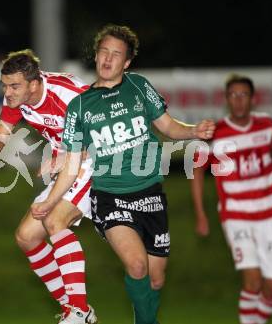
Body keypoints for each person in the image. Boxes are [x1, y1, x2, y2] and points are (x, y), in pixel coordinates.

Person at [31, 24, 215, 324]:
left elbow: (167, 126)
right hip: (110, 197)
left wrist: (193, 130)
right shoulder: (79, 106)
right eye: (103, 52)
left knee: (155, 279)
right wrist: (51, 201)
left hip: (151, 194)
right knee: (137, 265)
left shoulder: (139, 86)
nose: (107, 59)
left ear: (127, 62)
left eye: (116, 54)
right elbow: (72, 164)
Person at [0, 49, 97, 324]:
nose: (8, 92)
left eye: (14, 86)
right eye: (4, 86)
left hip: (98, 163)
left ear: (35, 84)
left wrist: (64, 156)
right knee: (26, 236)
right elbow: (2, 133)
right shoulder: (15, 98)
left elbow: (105, 135)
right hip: (68, 166)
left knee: (54, 220)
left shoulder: (69, 95)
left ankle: (79, 309)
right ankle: (73, 310)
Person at [191, 74, 272, 324]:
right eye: (233, 95)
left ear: (253, 99)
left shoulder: (267, 124)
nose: (238, 100)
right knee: (252, 282)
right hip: (236, 214)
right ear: (226, 99)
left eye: (243, 94)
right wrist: (201, 213)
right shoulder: (217, 134)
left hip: (270, 213)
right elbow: (197, 171)